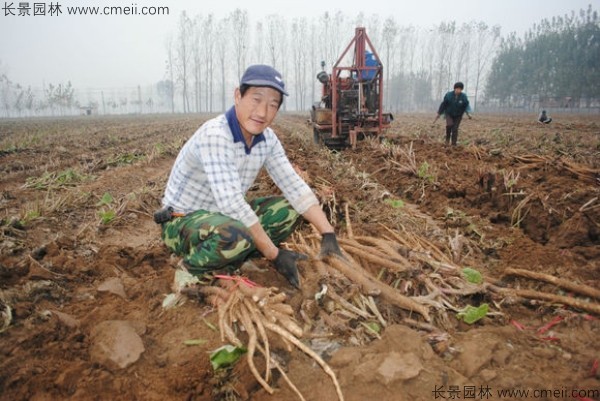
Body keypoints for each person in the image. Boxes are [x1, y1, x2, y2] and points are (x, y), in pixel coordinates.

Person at [158, 64, 343, 289]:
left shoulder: (268, 139)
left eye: (272, 104)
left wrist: (328, 234)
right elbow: (232, 204)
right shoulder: (216, 135)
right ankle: (189, 271)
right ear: (238, 95)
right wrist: (275, 255)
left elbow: (294, 186)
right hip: (182, 222)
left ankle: (236, 255)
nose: (263, 112)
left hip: (223, 218)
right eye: (256, 99)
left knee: (290, 211)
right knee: (235, 234)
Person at [434, 82, 472, 146]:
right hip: (449, 113)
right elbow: (443, 104)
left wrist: (468, 113)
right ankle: (447, 139)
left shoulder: (463, 97)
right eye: (457, 89)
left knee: (455, 129)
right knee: (449, 125)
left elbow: (466, 105)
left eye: (460, 89)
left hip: (458, 115)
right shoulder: (449, 95)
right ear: (454, 89)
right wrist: (439, 113)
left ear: (461, 90)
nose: (458, 90)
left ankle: (453, 144)